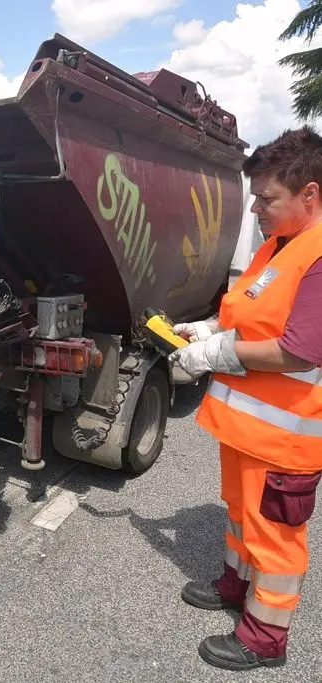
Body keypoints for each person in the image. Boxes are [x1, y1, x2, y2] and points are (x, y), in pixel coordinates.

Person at [169, 126, 322, 672]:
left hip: (285, 439)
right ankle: (236, 584)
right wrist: (206, 326)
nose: (255, 208)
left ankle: (265, 636)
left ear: (310, 193)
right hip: (244, 430)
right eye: (254, 197)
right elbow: (250, 315)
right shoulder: (279, 246)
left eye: (266, 198)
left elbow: (300, 352)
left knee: (277, 540)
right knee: (240, 516)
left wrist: (215, 354)